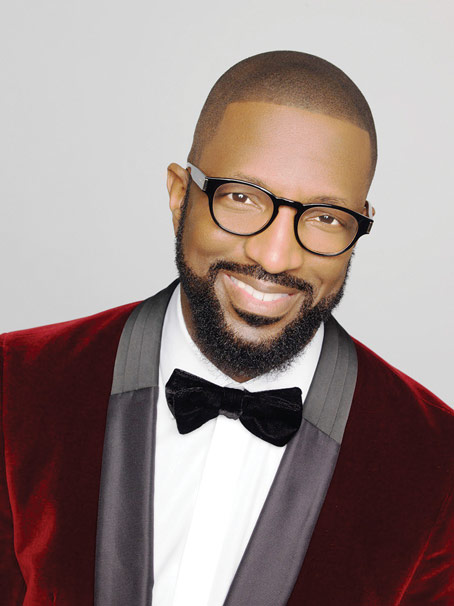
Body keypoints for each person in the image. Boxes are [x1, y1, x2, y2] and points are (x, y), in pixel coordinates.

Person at [1, 51, 453, 606]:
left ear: (359, 230)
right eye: (241, 197)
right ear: (179, 196)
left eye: (326, 217)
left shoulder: (439, 464)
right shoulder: (14, 385)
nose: (275, 256)